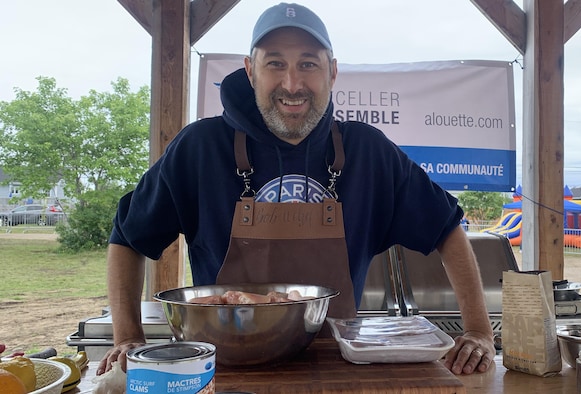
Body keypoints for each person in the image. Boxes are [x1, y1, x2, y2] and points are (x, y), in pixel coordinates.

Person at [98, 2, 495, 376]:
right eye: (275, 64)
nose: (292, 83)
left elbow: (447, 228)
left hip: (336, 366)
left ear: (332, 73)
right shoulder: (199, 149)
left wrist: (479, 329)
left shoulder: (369, 152)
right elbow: (129, 237)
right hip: (222, 368)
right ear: (251, 71)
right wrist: (127, 337)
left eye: (308, 64)